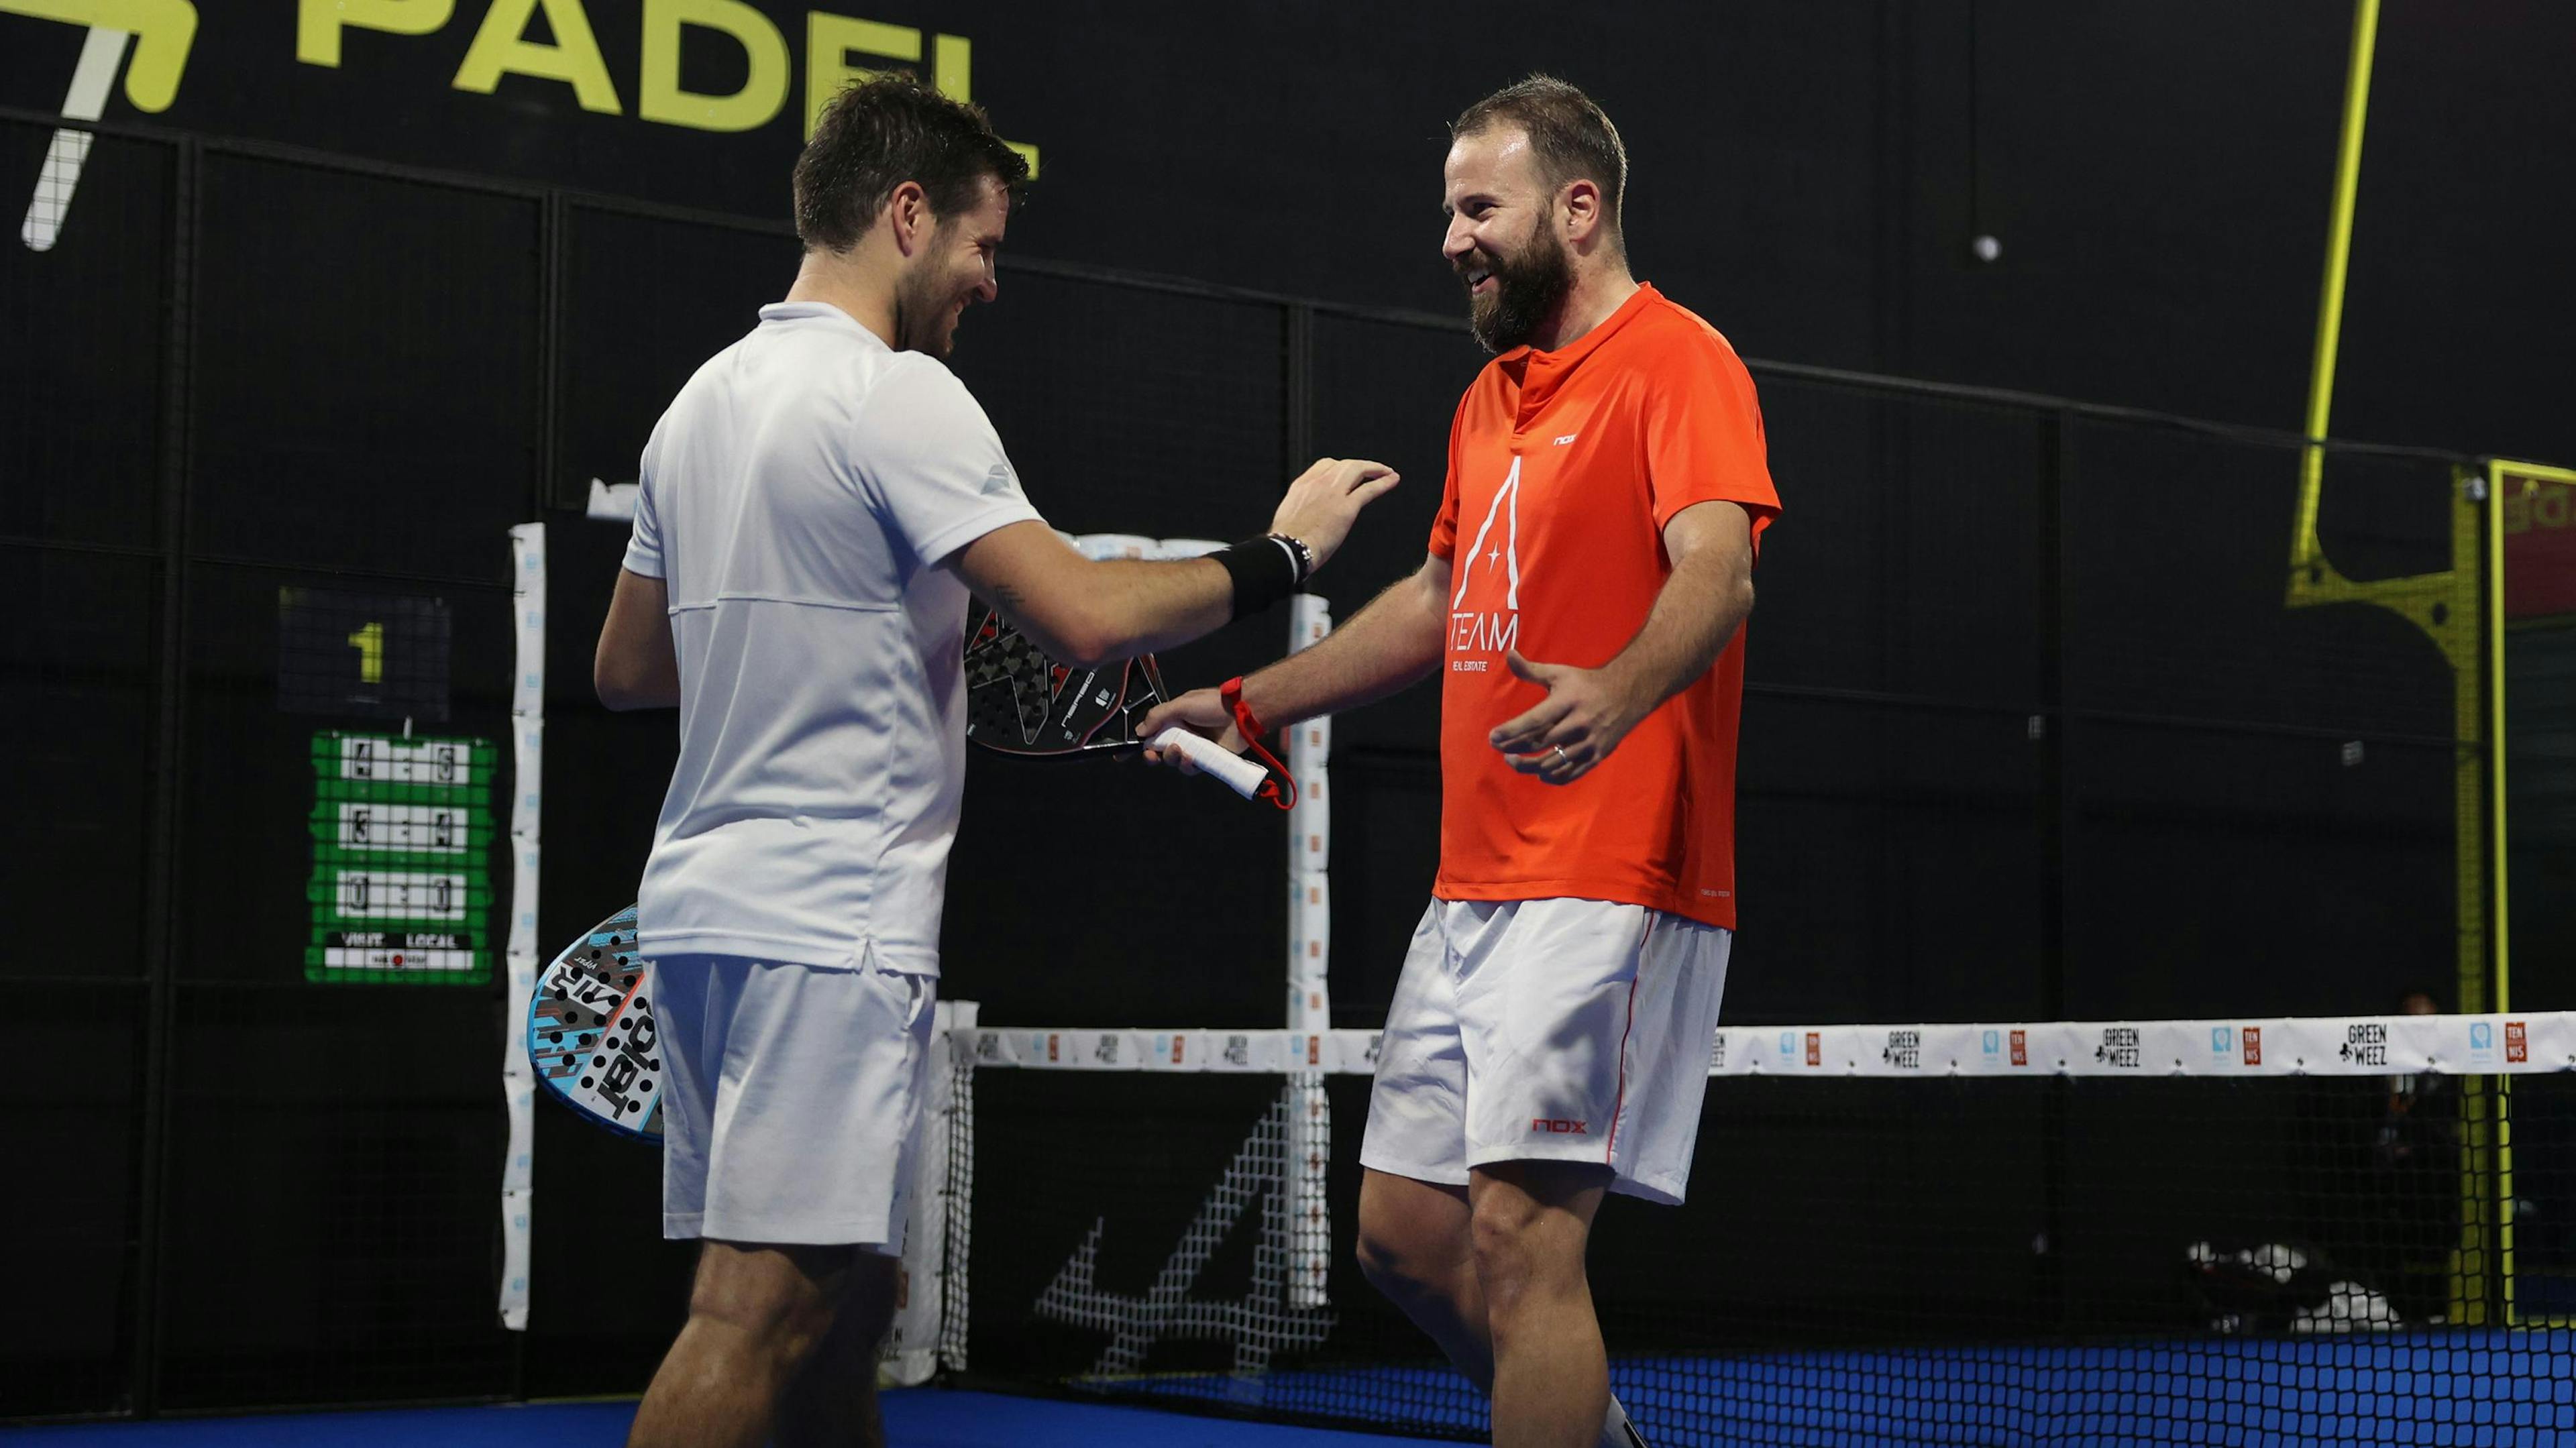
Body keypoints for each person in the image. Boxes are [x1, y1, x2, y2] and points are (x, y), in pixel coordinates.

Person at [591, 74, 1398, 1448]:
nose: (989, 280)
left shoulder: (699, 407)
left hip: (703, 921)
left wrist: (844, 639)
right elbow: (1087, 616)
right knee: (754, 1314)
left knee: (845, 1306)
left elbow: (630, 669)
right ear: (908, 216)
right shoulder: (900, 399)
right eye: (983, 244)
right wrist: (1283, 554)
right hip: (828, 930)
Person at [1143, 75, 1779, 1448]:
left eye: (1477, 207)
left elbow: (1717, 575)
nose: (1451, 239)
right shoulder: (1490, 398)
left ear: (1579, 206)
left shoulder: (1683, 361)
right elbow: (1443, 603)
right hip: (1477, 883)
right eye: (1449, 212)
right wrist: (1248, 700)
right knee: (1402, 1238)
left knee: (1519, 1238)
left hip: (1609, 873)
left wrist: (1618, 688)